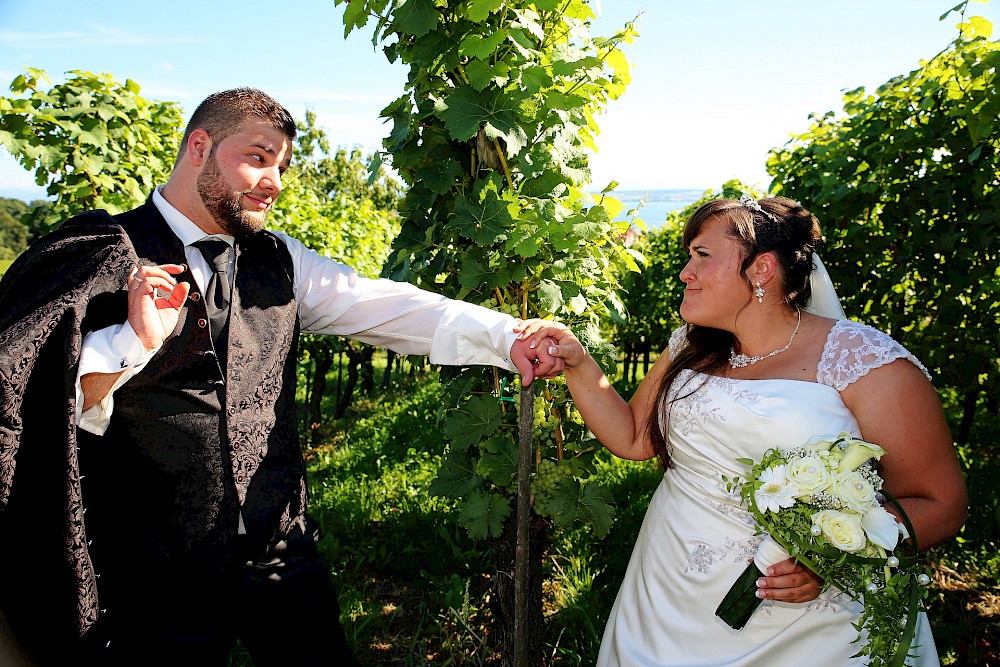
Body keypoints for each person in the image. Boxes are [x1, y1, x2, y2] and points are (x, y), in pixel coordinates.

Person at [0, 87, 562, 666]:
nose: (275, 180)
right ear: (200, 146)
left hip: (279, 551)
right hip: (156, 566)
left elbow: (387, 307)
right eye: (258, 157)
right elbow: (48, 404)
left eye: (283, 166)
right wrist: (135, 341)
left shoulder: (281, 259)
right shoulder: (107, 253)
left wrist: (508, 336)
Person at [520, 196, 968, 665]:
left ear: (761, 270)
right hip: (666, 592)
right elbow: (634, 436)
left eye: (702, 256)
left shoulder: (865, 362)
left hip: (802, 625)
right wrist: (576, 361)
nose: (684, 273)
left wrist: (832, 556)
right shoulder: (690, 348)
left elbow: (941, 502)